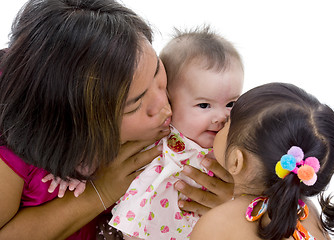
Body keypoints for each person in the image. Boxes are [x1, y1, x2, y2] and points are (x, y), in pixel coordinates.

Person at [0, 1, 234, 239]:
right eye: (135, 104)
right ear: (79, 121)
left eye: (156, 72)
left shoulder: (130, 66)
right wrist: (101, 192)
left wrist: (226, 205)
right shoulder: (12, 137)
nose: (164, 107)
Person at [107, 26, 244, 239]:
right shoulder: (156, 134)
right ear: (170, 100)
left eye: (231, 103)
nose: (221, 117)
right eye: (204, 105)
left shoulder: (233, 146)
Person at [191, 82, 334, 240]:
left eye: (228, 122)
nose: (221, 121)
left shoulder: (217, 224)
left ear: (237, 161)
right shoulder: (309, 215)